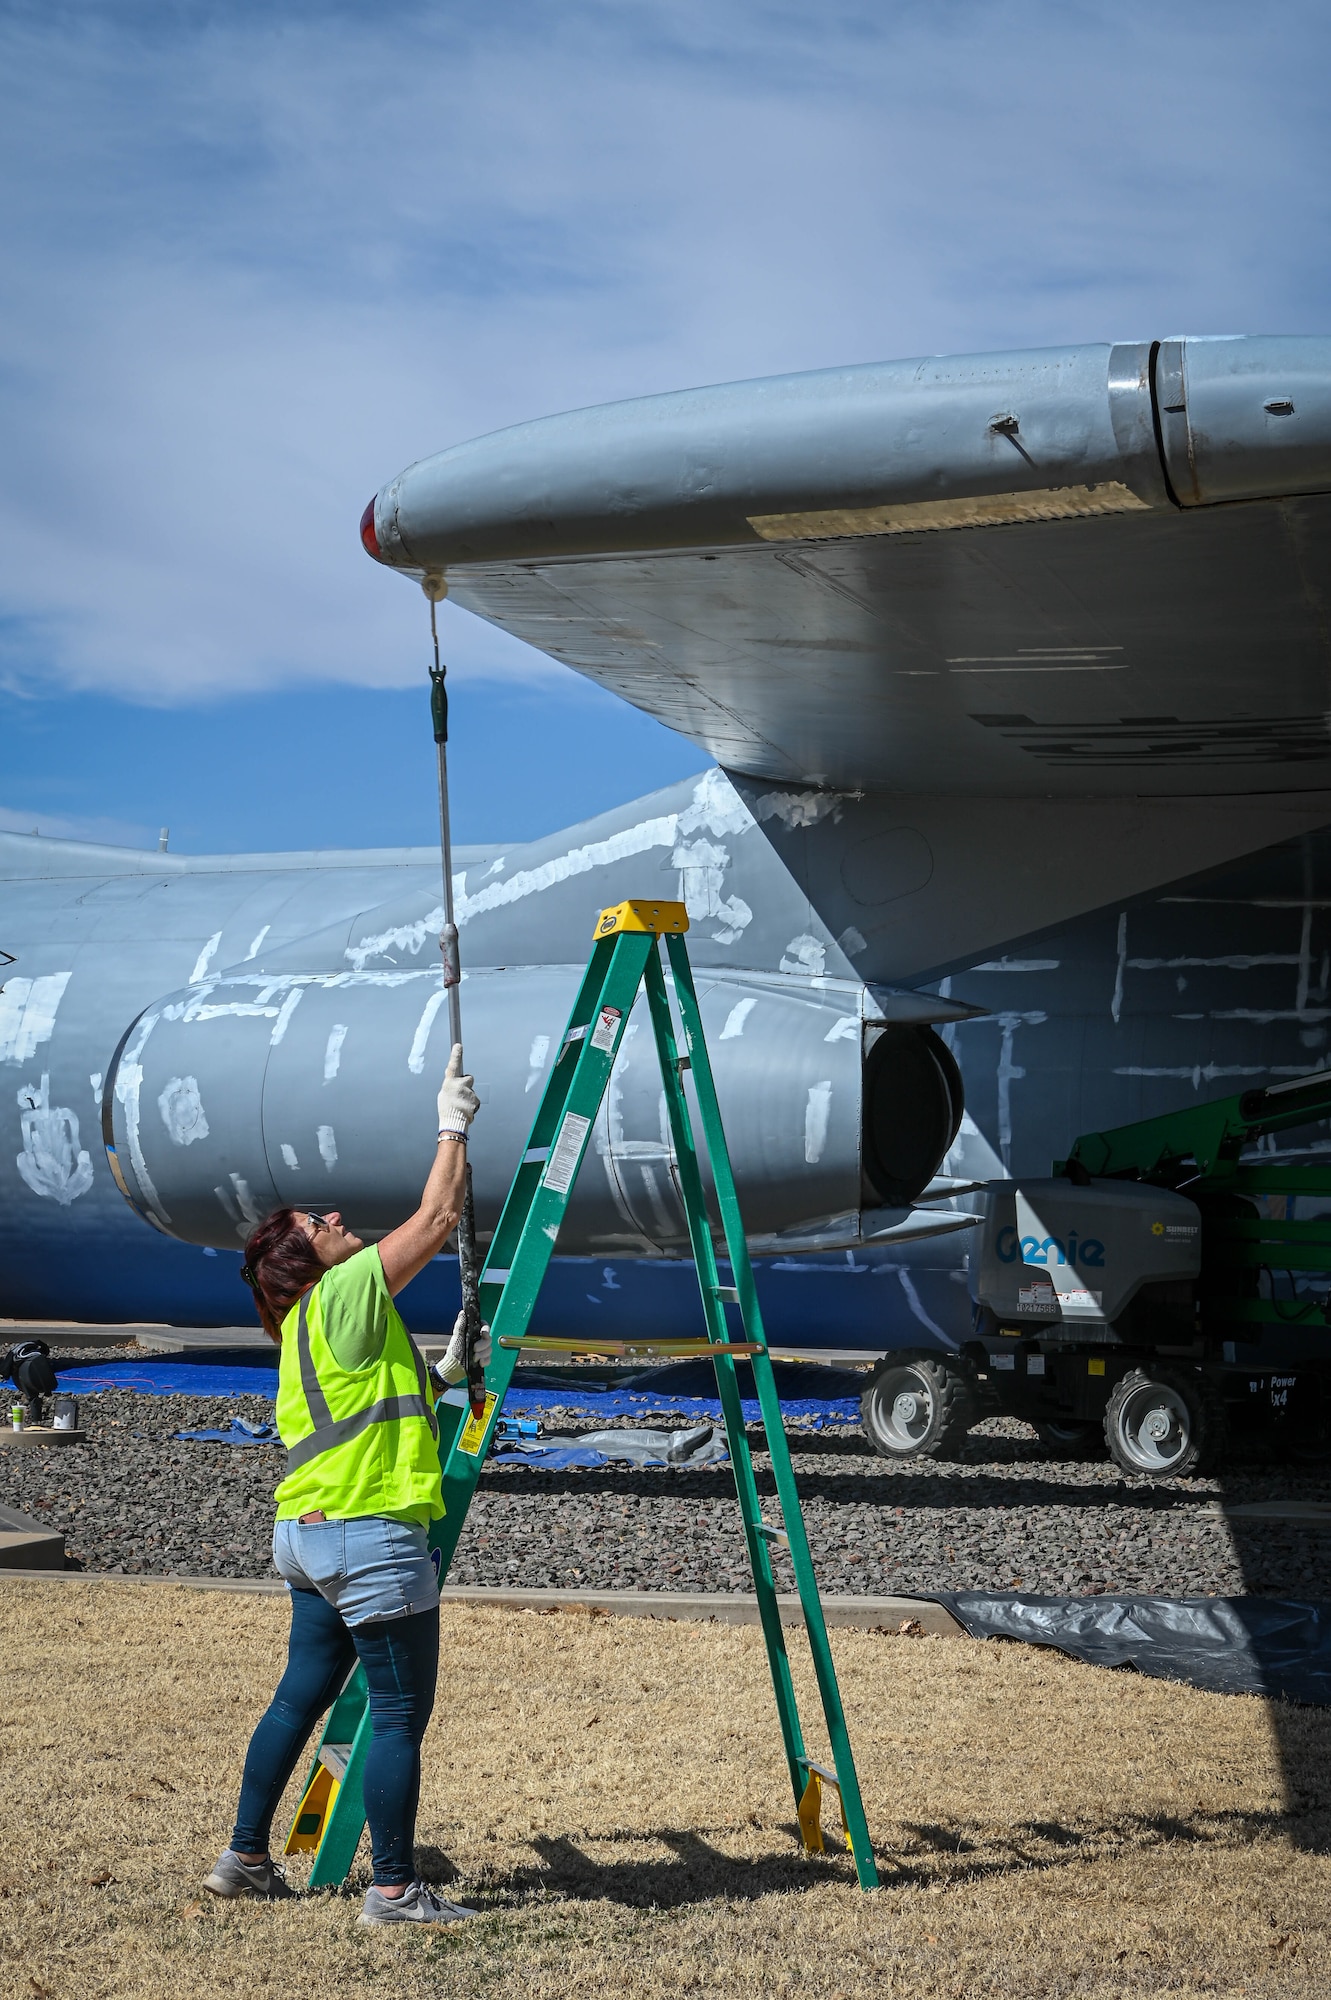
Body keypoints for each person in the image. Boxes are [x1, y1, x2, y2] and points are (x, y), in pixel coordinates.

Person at [203, 1044, 488, 1927]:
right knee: (398, 1713)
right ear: (307, 1260)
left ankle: (244, 1858)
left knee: (300, 1694)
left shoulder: (301, 1330)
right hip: (368, 1534)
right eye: (314, 1223)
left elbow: (357, 1411)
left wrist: (438, 1376)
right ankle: (395, 1890)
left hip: (307, 1534)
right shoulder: (345, 1292)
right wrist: (451, 1121)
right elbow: (438, 1217)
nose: (331, 1215)